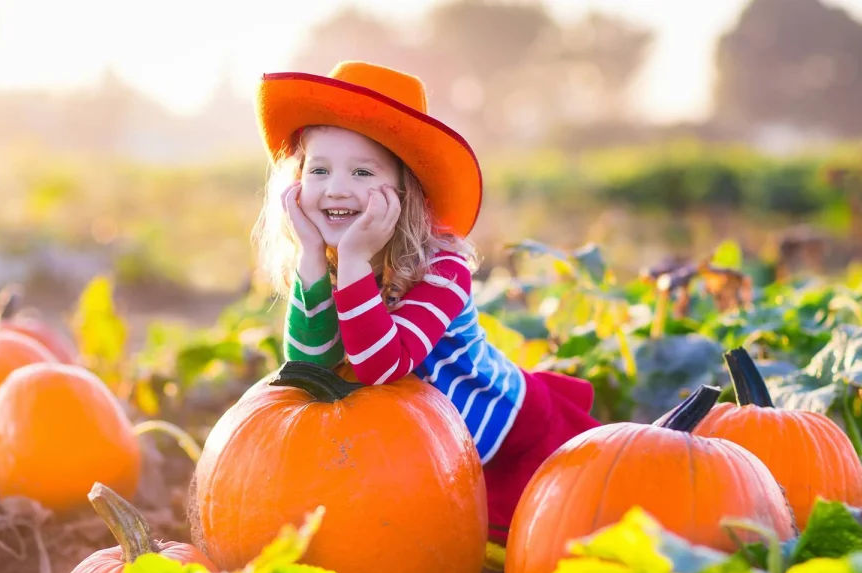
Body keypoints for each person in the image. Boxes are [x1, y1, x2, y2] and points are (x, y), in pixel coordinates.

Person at [251, 60, 601, 545]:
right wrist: (312, 254)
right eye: (320, 169)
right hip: (425, 450)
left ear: (403, 189)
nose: (335, 188)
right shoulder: (326, 262)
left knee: (555, 537)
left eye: (361, 171)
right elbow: (308, 364)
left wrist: (352, 257)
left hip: (500, 441)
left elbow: (382, 365)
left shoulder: (441, 267)